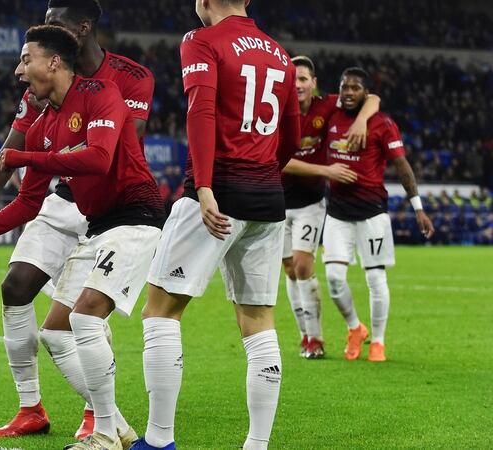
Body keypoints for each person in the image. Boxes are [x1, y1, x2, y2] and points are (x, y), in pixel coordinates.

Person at [0, 25, 165, 450]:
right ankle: (119, 429)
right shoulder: (43, 126)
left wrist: (21, 156)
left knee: (84, 317)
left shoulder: (101, 94)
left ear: (54, 62)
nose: (20, 71)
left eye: (26, 60)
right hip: (97, 226)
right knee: (56, 332)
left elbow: (97, 158)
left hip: (136, 217)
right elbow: (26, 204)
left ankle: (102, 435)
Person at [129, 1, 299, 449]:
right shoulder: (280, 54)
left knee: (161, 311)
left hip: (216, 195)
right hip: (267, 200)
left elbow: (200, 111)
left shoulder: (200, 40)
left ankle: (160, 440)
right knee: (259, 321)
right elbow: (293, 137)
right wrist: (264, 173)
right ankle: (257, 445)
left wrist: (204, 186)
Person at [322, 67, 434, 363]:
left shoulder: (383, 123)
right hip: (337, 213)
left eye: (355, 88)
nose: (348, 93)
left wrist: (418, 208)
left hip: (372, 213)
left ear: (365, 93)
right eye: (344, 87)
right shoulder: (331, 114)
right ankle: (355, 328)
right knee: (333, 278)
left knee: (375, 279)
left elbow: (402, 166)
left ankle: (379, 342)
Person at [279, 55, 381, 359]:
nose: (297, 84)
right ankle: (305, 336)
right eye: (292, 79)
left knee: (302, 266)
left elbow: (372, 97)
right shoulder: (275, 110)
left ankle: (317, 338)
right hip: (277, 202)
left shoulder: (327, 106)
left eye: (302, 79)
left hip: (310, 203)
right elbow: (279, 161)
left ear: (314, 84)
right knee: (288, 270)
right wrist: (326, 171)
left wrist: (362, 118)